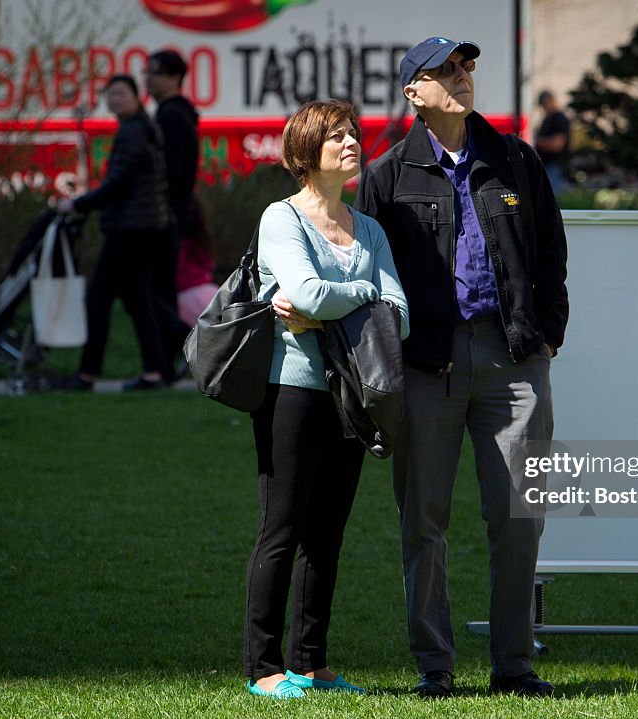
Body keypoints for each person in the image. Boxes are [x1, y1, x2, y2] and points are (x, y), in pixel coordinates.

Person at [355, 37, 569, 698]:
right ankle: (435, 667)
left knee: (520, 515)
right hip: (426, 366)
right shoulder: (388, 175)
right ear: (413, 91)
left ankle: (514, 663)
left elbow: (551, 255)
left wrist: (548, 334)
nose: (463, 76)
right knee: (424, 520)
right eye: (447, 68)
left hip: (513, 363)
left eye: (467, 65)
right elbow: (366, 274)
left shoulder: (516, 159)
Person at [244, 99, 409, 699]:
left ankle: (311, 664)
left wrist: (341, 302)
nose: (350, 144)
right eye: (336, 136)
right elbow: (308, 294)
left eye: (353, 134)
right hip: (292, 388)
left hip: (353, 396)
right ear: (305, 154)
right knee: (282, 528)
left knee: (328, 534)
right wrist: (361, 299)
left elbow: (401, 315)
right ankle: (263, 668)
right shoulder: (280, 219)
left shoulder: (370, 229)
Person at [57, 74, 170, 391]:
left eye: (121, 94)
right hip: (141, 227)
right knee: (138, 301)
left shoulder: (134, 132)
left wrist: (79, 204)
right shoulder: (139, 128)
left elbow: (118, 183)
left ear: (137, 97)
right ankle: (154, 372)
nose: (114, 100)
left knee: (98, 299)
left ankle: (86, 374)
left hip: (129, 229)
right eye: (110, 95)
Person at [144, 49, 200, 380]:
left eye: (155, 72)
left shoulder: (170, 117)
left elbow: (171, 174)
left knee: (148, 291)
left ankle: (185, 340)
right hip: (171, 217)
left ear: (175, 78)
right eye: (147, 71)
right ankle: (165, 364)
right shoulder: (176, 113)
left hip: (164, 218)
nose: (148, 78)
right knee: (159, 290)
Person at [175, 197, 218, 328]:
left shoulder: (177, 246)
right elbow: (209, 264)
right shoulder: (200, 240)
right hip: (210, 292)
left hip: (186, 296)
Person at [535, 90, 571, 194]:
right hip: (546, 166)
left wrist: (536, 142)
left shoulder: (559, 119)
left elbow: (557, 145)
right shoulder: (547, 119)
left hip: (555, 166)